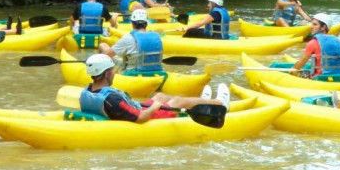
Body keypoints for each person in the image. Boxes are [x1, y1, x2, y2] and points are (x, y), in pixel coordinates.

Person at [80, 54, 230, 123]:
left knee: (161, 96)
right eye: (112, 70)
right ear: (106, 73)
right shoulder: (111, 99)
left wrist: (156, 103)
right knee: (177, 100)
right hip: (146, 117)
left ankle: (203, 102)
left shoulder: (86, 92)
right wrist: (154, 108)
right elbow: (140, 118)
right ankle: (220, 103)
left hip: (134, 109)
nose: (114, 72)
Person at [98, 9, 163, 73]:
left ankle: (99, 74)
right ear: (146, 24)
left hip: (131, 73)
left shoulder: (128, 38)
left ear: (132, 24)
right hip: (155, 72)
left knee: (102, 45)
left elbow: (107, 55)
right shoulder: (157, 37)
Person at [290, 13, 340, 78]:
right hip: (338, 77)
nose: (311, 26)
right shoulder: (338, 41)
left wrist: (291, 72)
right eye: (312, 24)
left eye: (315, 24)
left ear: (323, 27)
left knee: (297, 72)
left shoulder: (313, 42)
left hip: (320, 78)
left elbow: (301, 63)